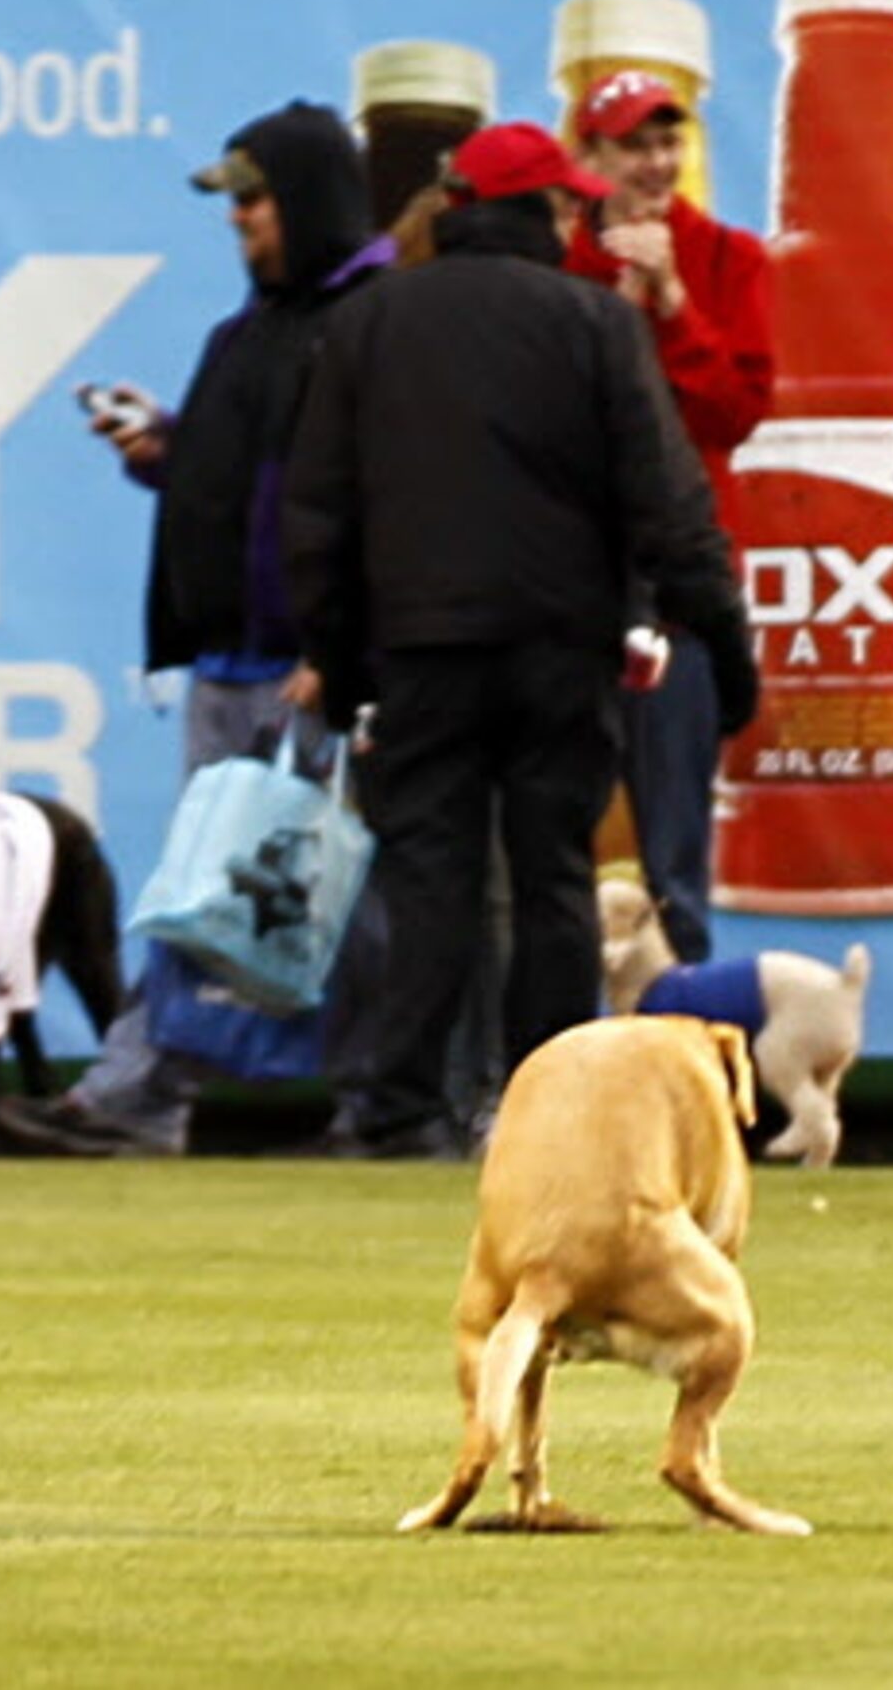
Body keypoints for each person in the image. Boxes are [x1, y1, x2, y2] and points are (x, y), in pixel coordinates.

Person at [283, 121, 755, 1161]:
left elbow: (315, 511)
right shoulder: (592, 322)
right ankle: (550, 1118)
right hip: (559, 648)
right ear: (541, 212)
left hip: (421, 650)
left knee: (430, 878)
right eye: (570, 204)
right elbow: (665, 496)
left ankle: (402, 1108)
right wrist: (723, 635)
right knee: (550, 881)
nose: (579, 218)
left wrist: (347, 656)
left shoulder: (368, 323)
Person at [0, 101, 393, 1159]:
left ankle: (374, 1105)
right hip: (232, 663)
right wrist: (166, 451)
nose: (239, 221)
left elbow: (367, 502)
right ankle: (142, 1095)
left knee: (342, 897)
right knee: (205, 894)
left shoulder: (369, 320)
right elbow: (244, 483)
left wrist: (336, 649)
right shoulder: (248, 330)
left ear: (303, 201)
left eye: (253, 201)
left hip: (315, 671)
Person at [562, 71, 773, 967]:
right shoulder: (559, 259)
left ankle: (683, 1070)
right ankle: (557, 1067)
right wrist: (618, 303)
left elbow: (734, 412)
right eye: (632, 146)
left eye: (666, 142)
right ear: (590, 160)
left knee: (672, 862)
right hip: (566, 599)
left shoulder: (730, 257)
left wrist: (676, 302)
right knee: (558, 855)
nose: (655, 163)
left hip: (677, 604)